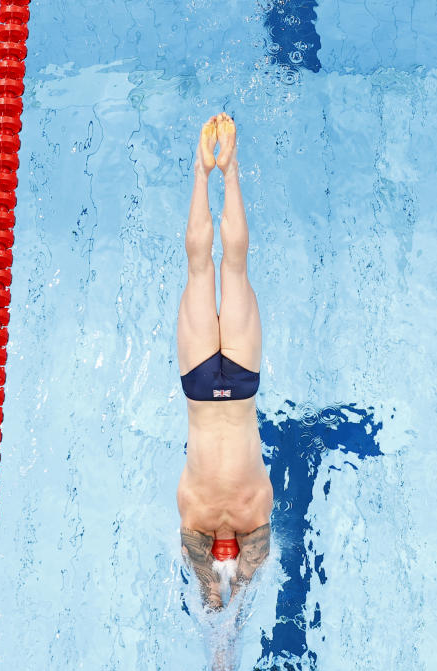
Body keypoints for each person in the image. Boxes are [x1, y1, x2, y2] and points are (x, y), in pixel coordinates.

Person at [176, 113, 273, 634]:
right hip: (237, 383)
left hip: (202, 385)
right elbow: (245, 576)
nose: (227, 559)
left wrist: (219, 609)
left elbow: (209, 587)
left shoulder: (197, 516)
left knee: (200, 264)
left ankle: (202, 171)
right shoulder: (252, 511)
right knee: (232, 265)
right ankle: (228, 171)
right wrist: (229, 621)